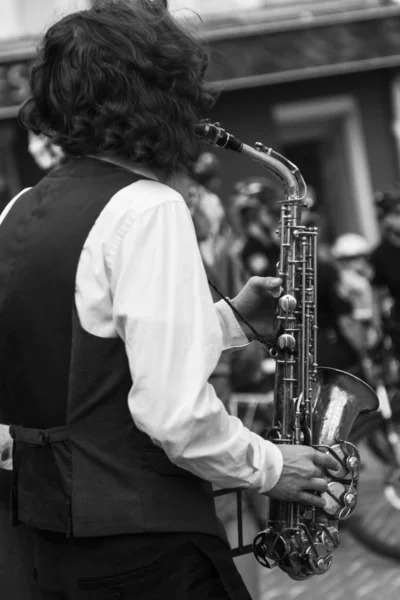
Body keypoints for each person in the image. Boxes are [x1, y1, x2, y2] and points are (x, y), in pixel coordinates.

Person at [0, 2, 339, 599]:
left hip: (45, 549)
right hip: (148, 548)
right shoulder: (149, 208)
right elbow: (174, 417)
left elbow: (91, 362)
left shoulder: (19, 208)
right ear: (159, 96)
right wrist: (274, 465)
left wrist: (230, 320)